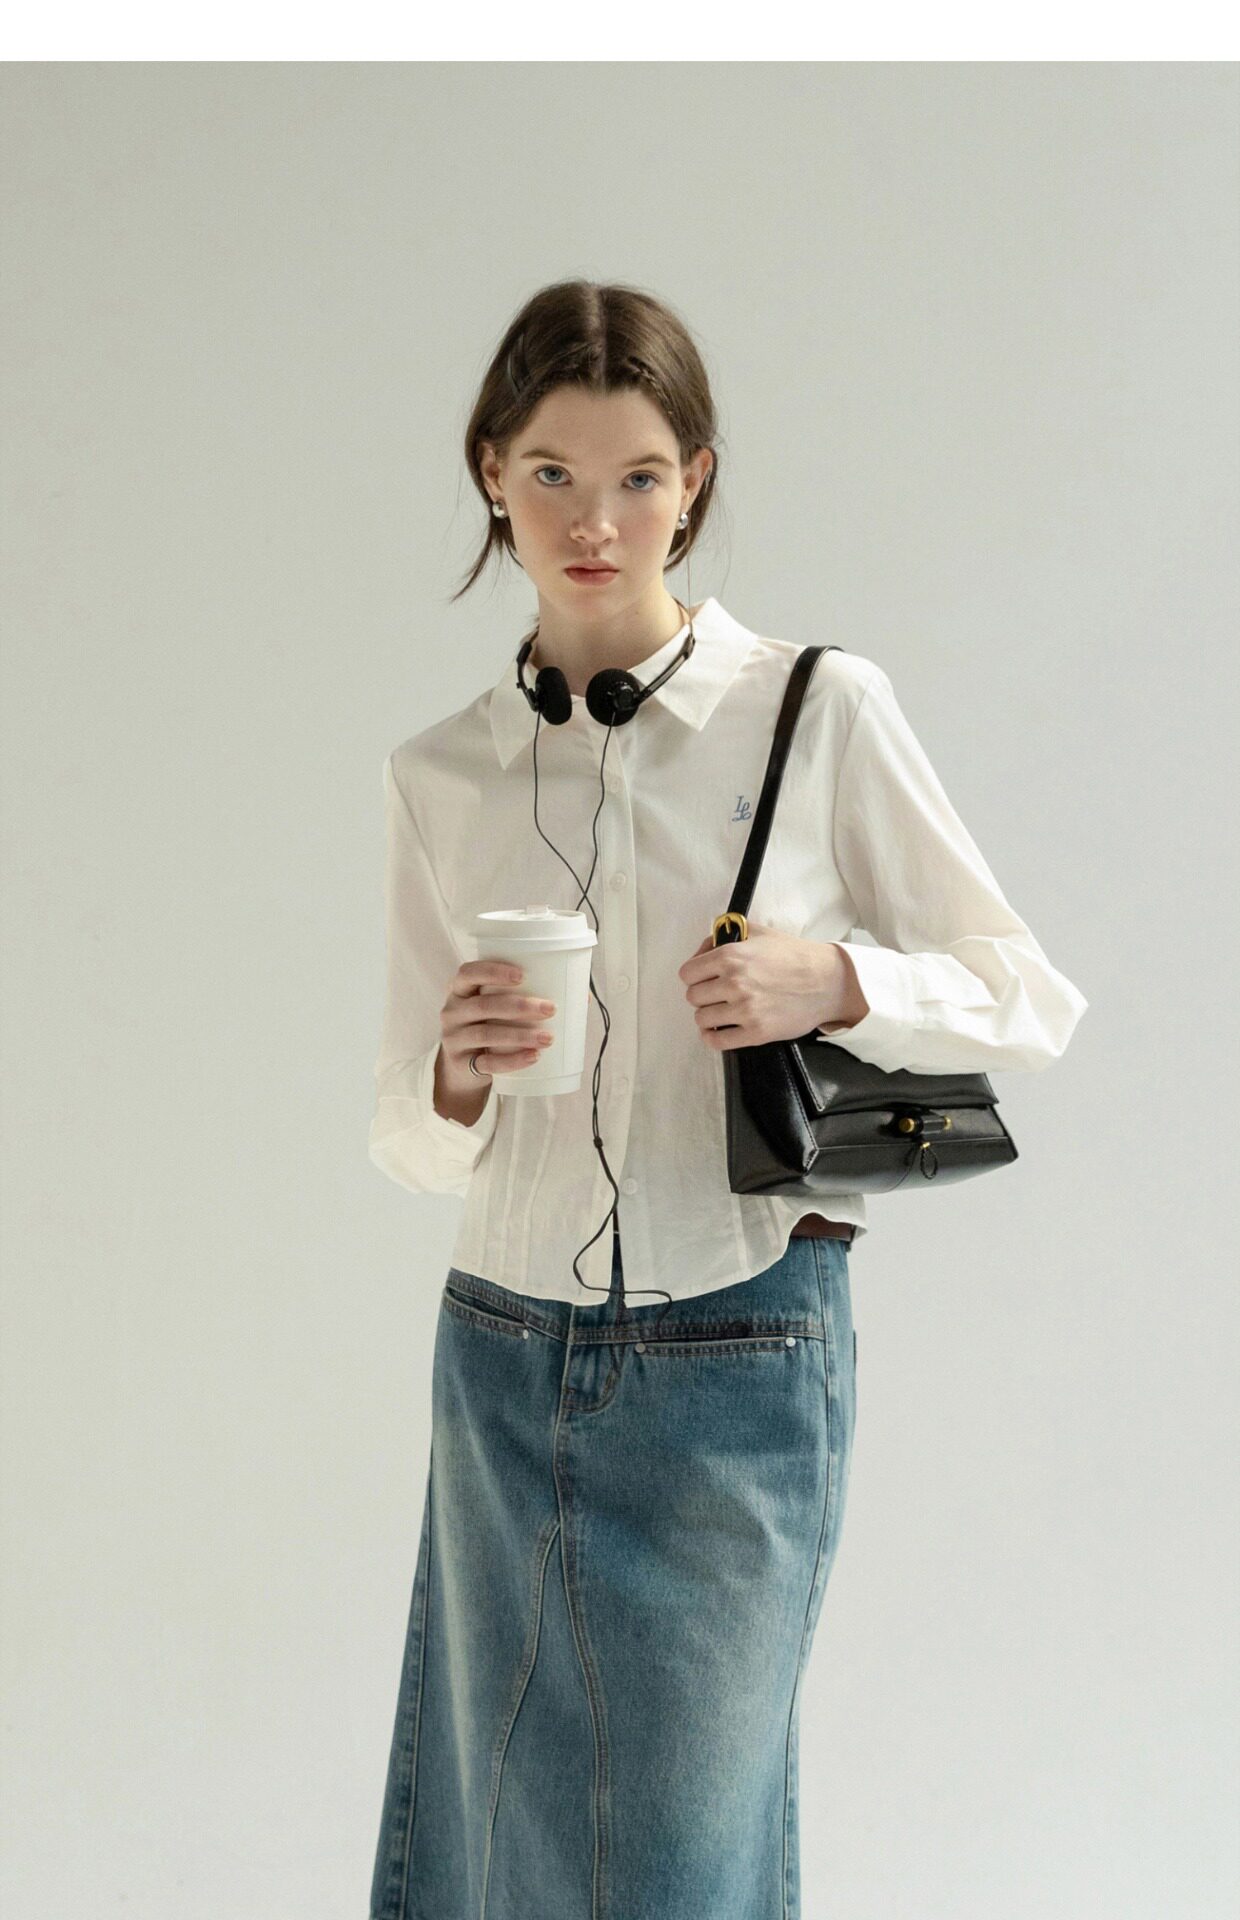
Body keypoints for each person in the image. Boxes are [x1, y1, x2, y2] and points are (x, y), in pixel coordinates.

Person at [367, 279, 1088, 1920]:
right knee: (486, 1843)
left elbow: (1027, 995)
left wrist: (835, 981)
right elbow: (405, 1139)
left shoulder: (815, 712)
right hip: (501, 1344)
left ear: (693, 478)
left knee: (686, 1859)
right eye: (553, 474)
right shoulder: (441, 773)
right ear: (490, 473)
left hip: (739, 1344)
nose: (595, 523)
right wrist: (457, 1075)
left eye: (638, 477)